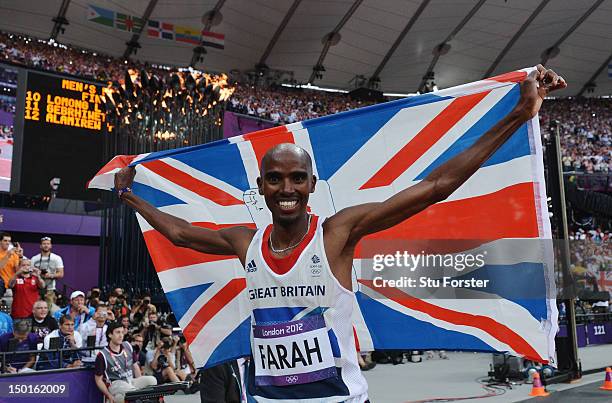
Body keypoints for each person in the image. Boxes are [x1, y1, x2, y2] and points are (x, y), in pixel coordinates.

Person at [114, 66, 566, 402]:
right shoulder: (244, 242)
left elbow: (435, 187)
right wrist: (131, 198)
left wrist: (520, 115)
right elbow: (181, 233)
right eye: (275, 179)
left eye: (296, 178)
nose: (286, 188)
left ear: (312, 184)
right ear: (261, 186)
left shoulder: (337, 233)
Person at [94, 322, 157, 403]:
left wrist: (139, 380)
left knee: (152, 380)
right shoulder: (102, 355)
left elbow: (135, 365)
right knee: (131, 392)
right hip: (116, 384)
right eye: (117, 332)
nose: (121, 335)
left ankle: (138, 396)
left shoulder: (128, 346)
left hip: (130, 381)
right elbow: (98, 380)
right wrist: (108, 395)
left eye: (122, 332)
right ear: (110, 335)